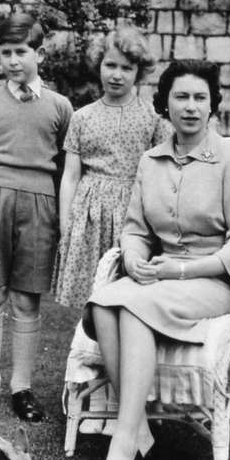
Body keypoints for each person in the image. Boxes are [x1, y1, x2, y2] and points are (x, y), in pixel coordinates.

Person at [81, 59, 230, 460]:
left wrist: (181, 269)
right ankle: (140, 430)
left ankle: (124, 446)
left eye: (201, 97)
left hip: (211, 281)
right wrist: (136, 258)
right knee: (105, 302)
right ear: (166, 104)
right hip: (160, 278)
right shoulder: (151, 161)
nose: (191, 107)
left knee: (136, 307)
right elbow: (135, 229)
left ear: (213, 105)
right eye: (181, 96)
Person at [0, 13, 73, 422]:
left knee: (26, 297)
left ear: (39, 54)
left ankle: (21, 387)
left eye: (21, 52)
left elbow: (67, 163)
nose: (12, 60)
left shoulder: (60, 107)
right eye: (5, 52)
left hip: (40, 202)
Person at [53, 26, 169, 308]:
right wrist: (66, 223)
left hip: (132, 211)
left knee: (126, 293)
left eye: (126, 68)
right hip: (90, 213)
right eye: (110, 65)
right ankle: (87, 348)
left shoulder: (151, 119)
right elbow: (70, 176)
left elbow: (162, 172)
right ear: (99, 66)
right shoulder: (82, 117)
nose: (116, 75)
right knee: (90, 295)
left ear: (138, 73)